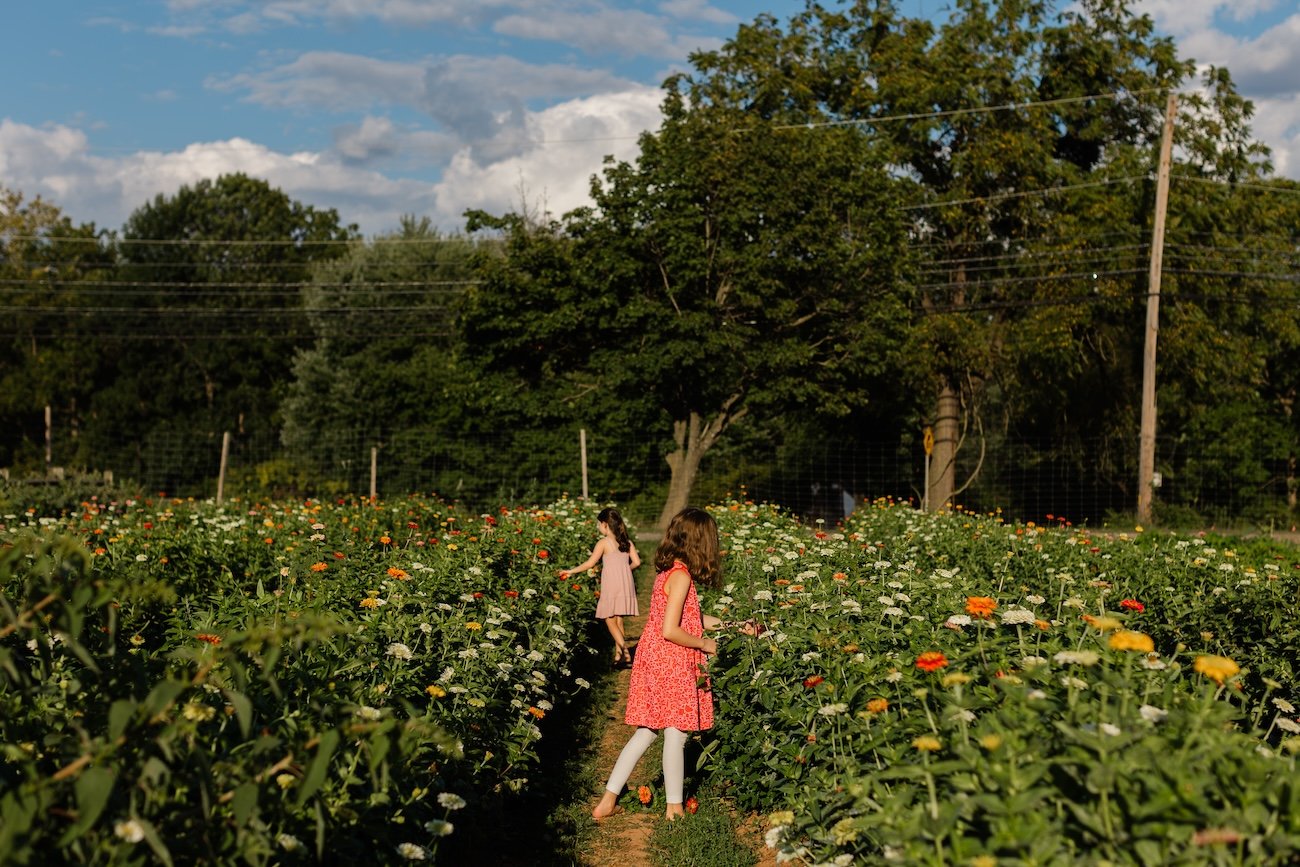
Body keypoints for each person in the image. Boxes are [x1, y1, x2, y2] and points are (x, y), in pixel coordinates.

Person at [591, 506, 724, 822]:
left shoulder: (670, 572)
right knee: (676, 735)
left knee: (647, 732)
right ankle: (674, 808)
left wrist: (731, 623)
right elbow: (672, 629)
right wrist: (705, 643)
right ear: (699, 544)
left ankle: (608, 799)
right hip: (672, 661)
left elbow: (688, 618)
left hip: (655, 659)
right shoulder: (681, 578)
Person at [559, 507, 640, 664]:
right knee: (618, 620)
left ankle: (625, 650)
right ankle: (619, 656)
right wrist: (624, 570)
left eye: (598, 524)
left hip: (611, 584)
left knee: (608, 619)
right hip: (626, 583)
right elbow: (636, 562)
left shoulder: (604, 542)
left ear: (605, 524)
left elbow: (590, 563)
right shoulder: (626, 542)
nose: (597, 527)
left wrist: (570, 571)